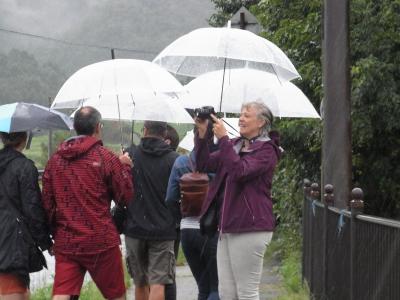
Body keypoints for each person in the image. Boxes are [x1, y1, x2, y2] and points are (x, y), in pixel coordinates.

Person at [41, 106, 133, 300]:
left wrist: (52, 234)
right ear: (98, 127)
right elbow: (125, 197)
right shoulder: (106, 158)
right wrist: (124, 168)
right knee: (116, 295)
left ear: (75, 128)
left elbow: (47, 205)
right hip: (101, 239)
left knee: (62, 295)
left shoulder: (55, 161)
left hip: (67, 242)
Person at [194, 100, 281, 300]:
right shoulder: (235, 144)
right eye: (241, 114)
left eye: (247, 115)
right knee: (227, 293)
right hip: (227, 226)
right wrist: (202, 134)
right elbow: (203, 163)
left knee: (246, 293)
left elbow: (239, 171)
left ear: (261, 122)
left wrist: (223, 138)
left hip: (251, 226)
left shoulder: (267, 151)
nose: (241, 118)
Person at [124, 121, 179, 300]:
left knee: (140, 283)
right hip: (163, 230)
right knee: (158, 284)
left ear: (145, 130)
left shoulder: (130, 155)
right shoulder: (174, 159)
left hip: (134, 228)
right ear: (164, 134)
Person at [0, 131, 52, 300]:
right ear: (24, 138)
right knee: (13, 291)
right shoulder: (24, 167)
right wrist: (47, 243)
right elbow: (33, 212)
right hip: (12, 244)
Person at [166, 147, 220, 300]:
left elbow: (170, 198)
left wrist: (181, 219)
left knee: (203, 288)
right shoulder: (221, 162)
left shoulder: (181, 162)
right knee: (216, 288)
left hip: (187, 230)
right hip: (212, 229)